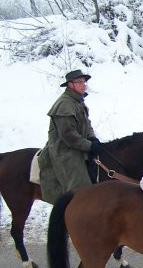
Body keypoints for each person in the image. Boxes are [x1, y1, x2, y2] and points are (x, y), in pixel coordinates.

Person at [38, 69, 103, 204]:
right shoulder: (64, 104)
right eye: (79, 82)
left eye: (84, 82)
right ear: (70, 84)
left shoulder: (78, 101)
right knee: (80, 187)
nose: (83, 85)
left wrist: (92, 138)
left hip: (80, 145)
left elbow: (87, 123)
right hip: (65, 150)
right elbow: (68, 136)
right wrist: (89, 145)